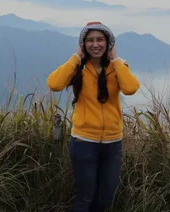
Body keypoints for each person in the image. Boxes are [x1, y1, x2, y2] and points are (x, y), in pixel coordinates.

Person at [47, 21, 140, 212]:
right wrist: (75, 58)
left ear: (108, 43)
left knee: (105, 197)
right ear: (83, 44)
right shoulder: (77, 68)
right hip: (83, 142)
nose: (95, 44)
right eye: (90, 40)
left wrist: (116, 60)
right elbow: (54, 84)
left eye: (100, 39)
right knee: (85, 197)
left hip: (113, 143)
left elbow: (131, 88)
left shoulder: (118, 67)